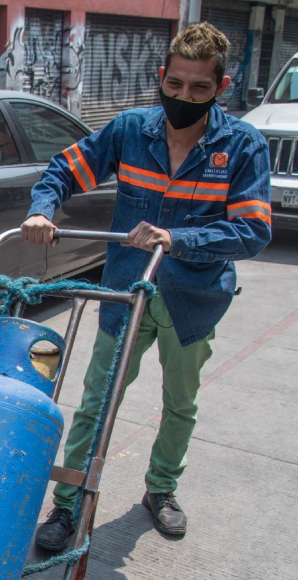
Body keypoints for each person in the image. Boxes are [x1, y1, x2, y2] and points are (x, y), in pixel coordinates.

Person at [21, 22, 272, 551]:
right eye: (175, 85)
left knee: (180, 403)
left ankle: (161, 490)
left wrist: (176, 238)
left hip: (193, 300)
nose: (184, 97)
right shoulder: (131, 131)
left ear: (220, 88)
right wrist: (43, 211)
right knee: (96, 402)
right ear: (162, 77)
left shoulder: (243, 146)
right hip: (124, 291)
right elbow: (63, 172)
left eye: (199, 89)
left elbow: (252, 230)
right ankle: (66, 506)